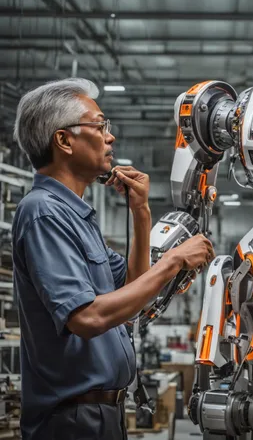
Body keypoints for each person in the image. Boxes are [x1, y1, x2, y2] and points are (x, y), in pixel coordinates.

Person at [11, 78, 215, 440]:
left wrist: (141, 213)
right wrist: (173, 262)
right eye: (100, 125)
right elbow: (87, 318)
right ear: (64, 140)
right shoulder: (43, 213)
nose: (110, 137)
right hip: (72, 421)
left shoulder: (76, 217)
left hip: (102, 413)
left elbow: (132, 294)